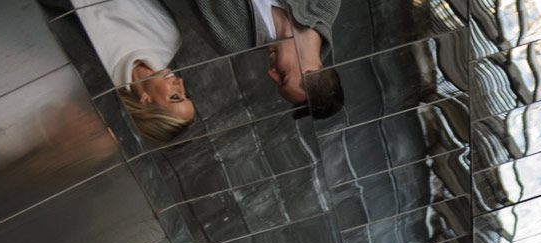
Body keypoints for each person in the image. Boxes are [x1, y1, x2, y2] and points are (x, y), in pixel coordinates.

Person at [68, 0, 198, 143]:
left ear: (146, 100)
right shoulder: (169, 37)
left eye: (175, 96)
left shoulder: (89, 60)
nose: (180, 82)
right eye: (186, 94)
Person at [192, 0, 343, 117]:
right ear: (309, 70)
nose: (271, 73)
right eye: (283, 77)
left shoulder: (232, 39)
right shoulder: (326, 4)